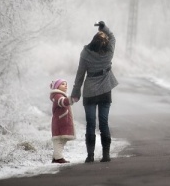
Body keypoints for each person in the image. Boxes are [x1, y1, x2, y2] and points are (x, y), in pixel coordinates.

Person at [71, 21, 119, 163]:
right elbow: (113, 37)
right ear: (105, 44)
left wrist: (76, 92)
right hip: (105, 90)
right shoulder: (109, 52)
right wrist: (104, 27)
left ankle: (90, 156)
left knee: (90, 123)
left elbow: (80, 75)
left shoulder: (85, 54)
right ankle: (106, 155)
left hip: (90, 92)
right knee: (104, 123)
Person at [50, 78, 75, 164]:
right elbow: (62, 102)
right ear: (57, 86)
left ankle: (55, 157)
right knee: (59, 141)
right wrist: (71, 99)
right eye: (63, 84)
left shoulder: (60, 95)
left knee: (61, 141)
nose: (65, 85)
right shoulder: (57, 96)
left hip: (62, 122)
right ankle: (58, 158)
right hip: (59, 123)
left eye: (66, 84)